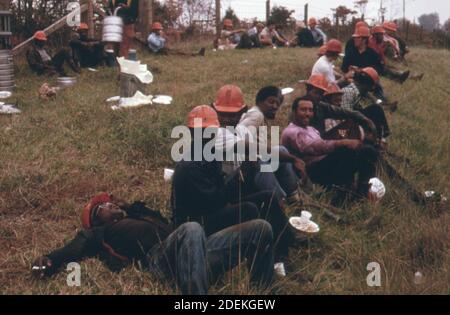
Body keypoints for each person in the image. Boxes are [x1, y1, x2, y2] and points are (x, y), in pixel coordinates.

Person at [31, 193, 275, 294]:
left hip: (196, 252)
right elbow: (74, 248)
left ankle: (262, 292)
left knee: (260, 228)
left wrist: (131, 207)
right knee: (191, 229)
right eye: (102, 207)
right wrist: (51, 260)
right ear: (95, 221)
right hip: (161, 260)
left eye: (110, 201)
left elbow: (160, 218)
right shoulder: (100, 233)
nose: (109, 203)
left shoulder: (138, 216)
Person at [172, 105, 296, 264]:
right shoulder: (190, 165)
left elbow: (222, 189)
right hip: (198, 223)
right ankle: (260, 258)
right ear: (191, 133)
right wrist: (242, 174)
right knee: (249, 209)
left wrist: (247, 173)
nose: (206, 136)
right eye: (201, 133)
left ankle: (284, 248)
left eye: (210, 133)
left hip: (212, 208)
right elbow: (216, 201)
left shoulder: (209, 155)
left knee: (267, 197)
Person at [281, 97, 379, 203]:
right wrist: (343, 143)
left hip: (324, 164)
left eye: (310, 110)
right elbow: (313, 147)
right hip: (313, 171)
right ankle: (343, 196)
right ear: (294, 112)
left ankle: (361, 191)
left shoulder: (310, 128)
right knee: (347, 151)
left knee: (367, 151)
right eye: (303, 110)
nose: (308, 113)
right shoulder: (292, 131)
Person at [237, 86, 308, 203]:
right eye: (271, 102)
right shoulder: (257, 115)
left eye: (277, 104)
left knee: (282, 150)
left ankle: (293, 193)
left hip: (253, 159)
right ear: (259, 101)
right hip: (247, 165)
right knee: (265, 162)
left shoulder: (258, 115)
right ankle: (281, 199)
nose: (275, 106)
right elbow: (240, 132)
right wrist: (252, 155)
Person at [303, 74, 377, 141]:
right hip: (316, 143)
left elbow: (343, 111)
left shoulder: (320, 105)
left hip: (323, 140)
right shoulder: (300, 106)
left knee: (350, 124)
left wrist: (364, 119)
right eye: (316, 93)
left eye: (320, 94)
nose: (318, 97)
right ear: (308, 90)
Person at [340, 67, 391, 140]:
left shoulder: (356, 90)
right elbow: (345, 117)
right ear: (367, 85)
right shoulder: (349, 93)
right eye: (371, 87)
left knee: (375, 109)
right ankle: (378, 138)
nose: (371, 90)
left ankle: (381, 137)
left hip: (350, 119)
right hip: (345, 125)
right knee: (375, 110)